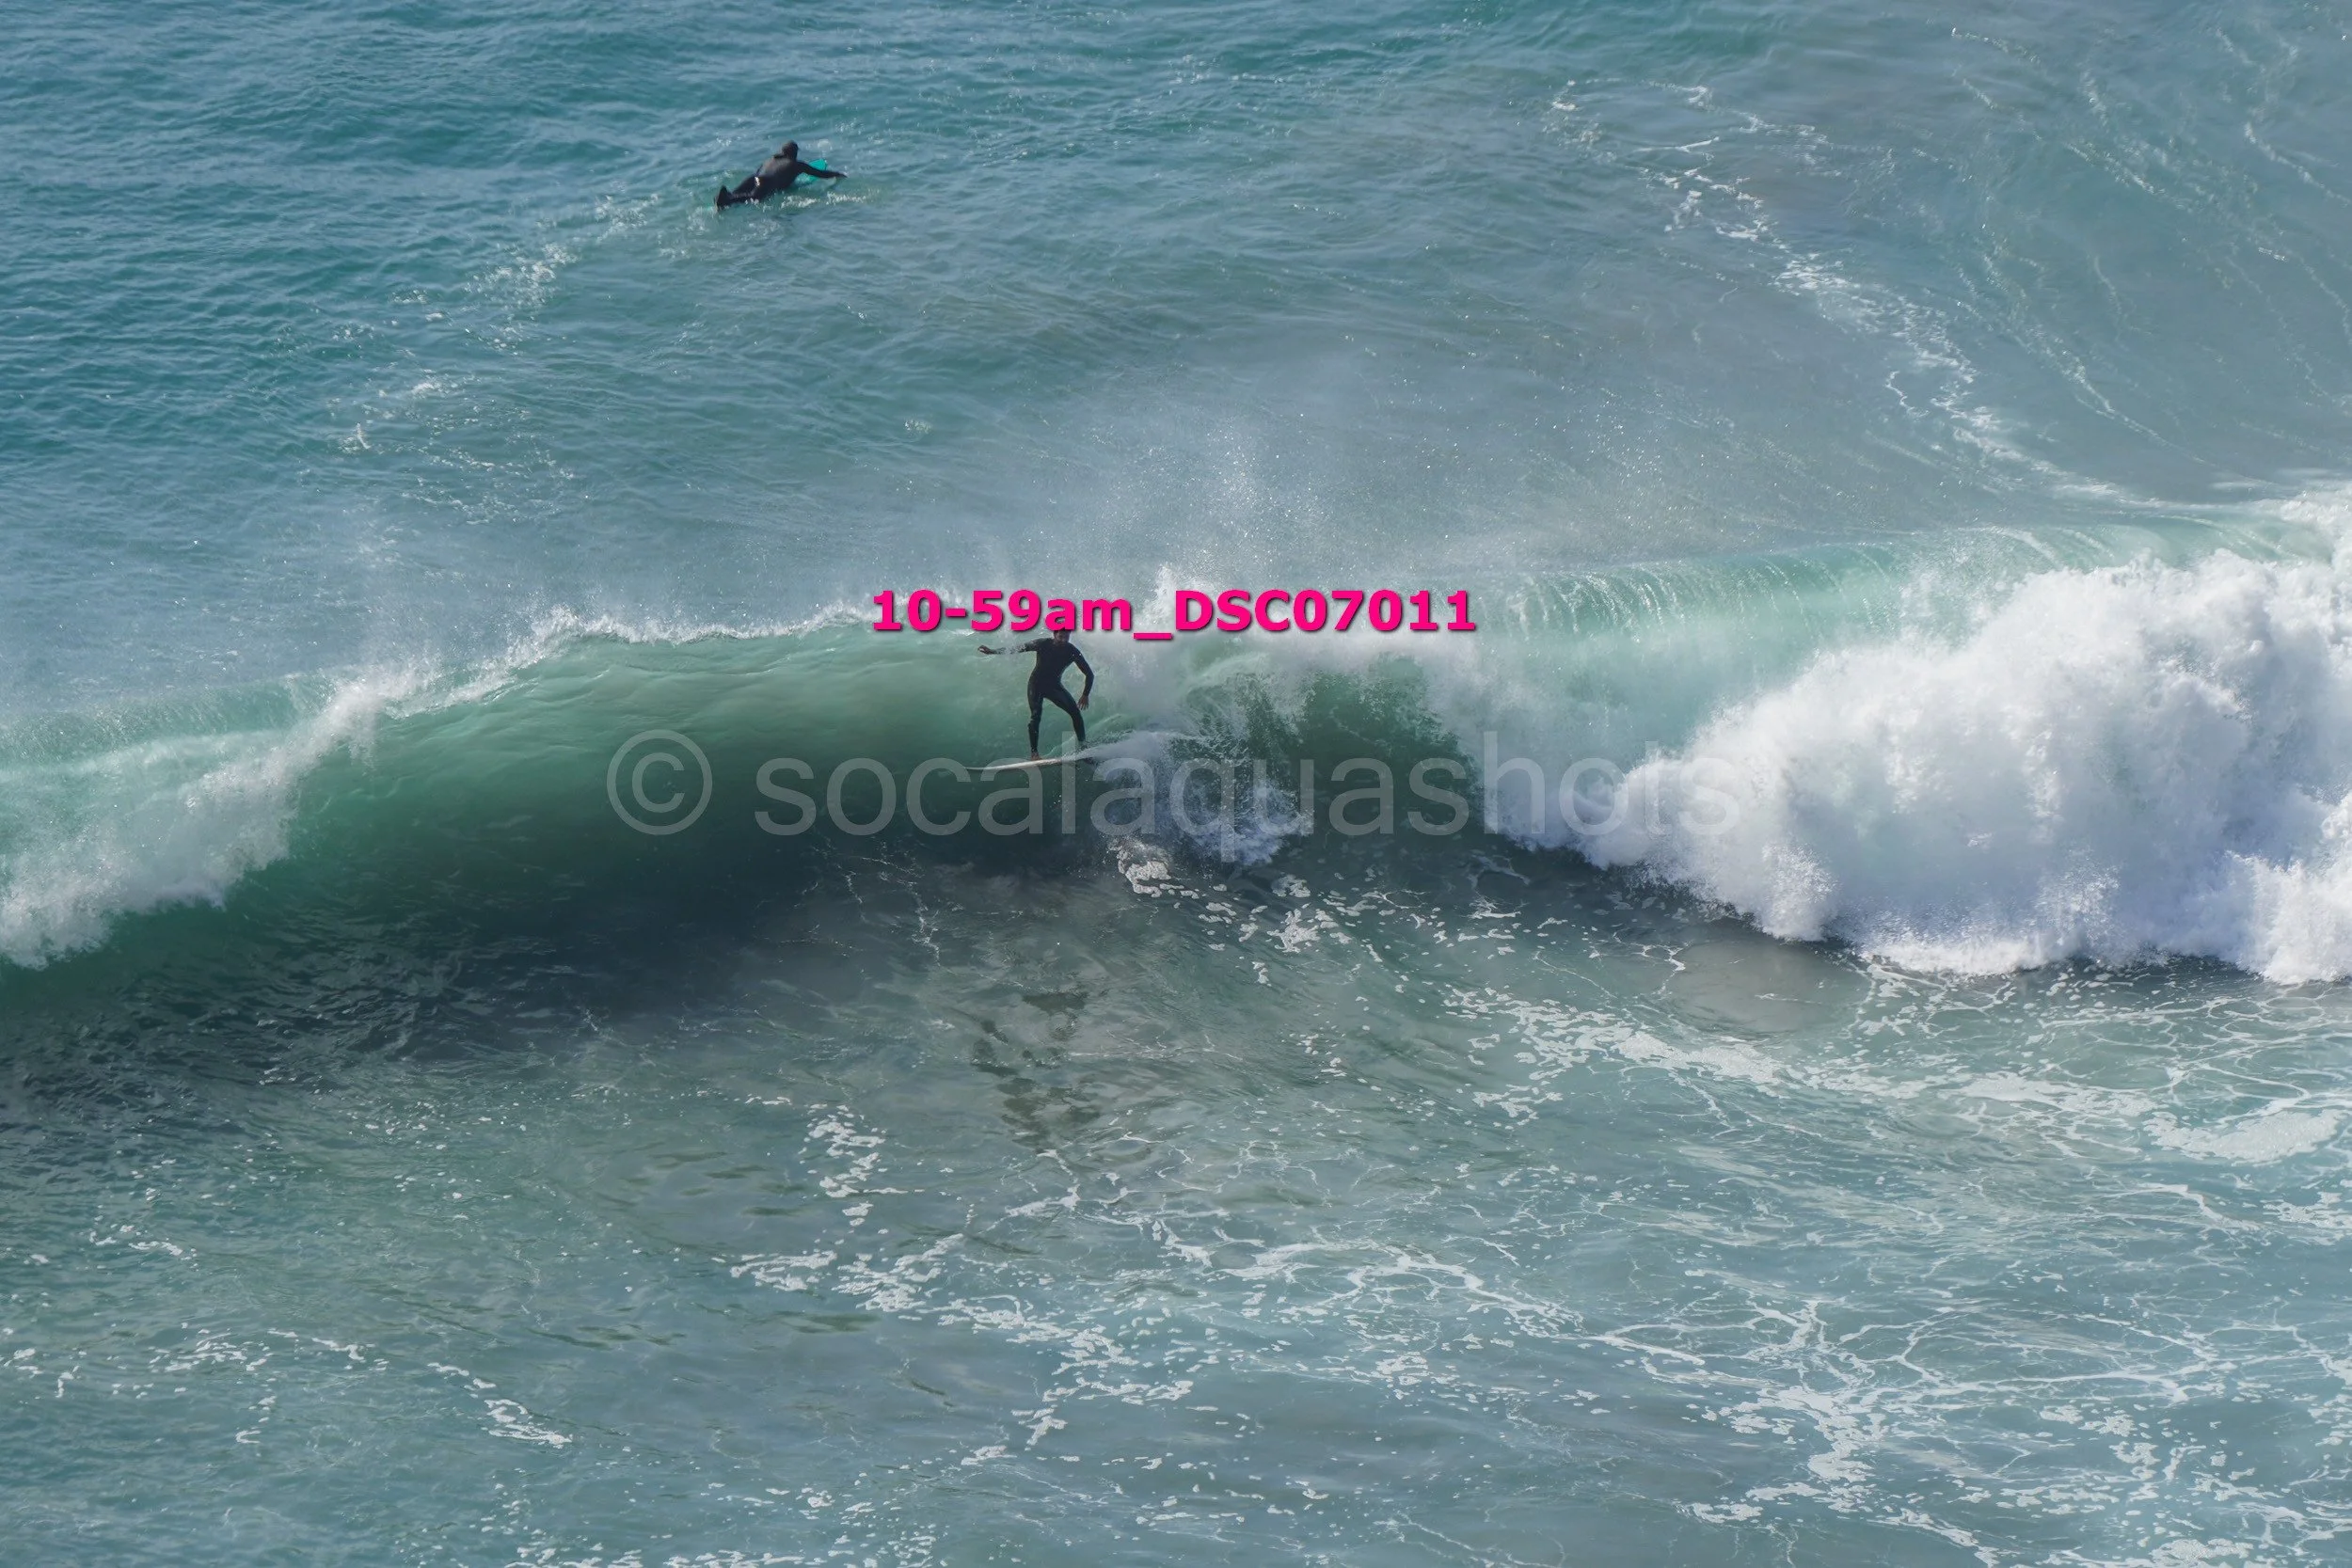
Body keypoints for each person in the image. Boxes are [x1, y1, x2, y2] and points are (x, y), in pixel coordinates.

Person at [977, 628, 1093, 759]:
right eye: (1060, 637)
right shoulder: (1042, 644)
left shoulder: (1072, 652)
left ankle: (1083, 745)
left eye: (1066, 637)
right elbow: (1017, 648)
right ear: (1054, 635)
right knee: (1035, 716)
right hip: (1036, 685)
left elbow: (1089, 674)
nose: (1063, 640)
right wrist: (992, 651)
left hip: (1054, 687)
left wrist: (1085, 695)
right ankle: (1034, 754)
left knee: (1075, 713)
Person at [716, 142, 845, 209]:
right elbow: (820, 173)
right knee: (754, 197)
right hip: (766, 182)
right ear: (794, 153)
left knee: (738, 192)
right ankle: (727, 200)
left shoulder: (771, 159)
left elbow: (759, 172)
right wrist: (838, 174)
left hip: (754, 178)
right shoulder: (796, 165)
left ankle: (726, 196)